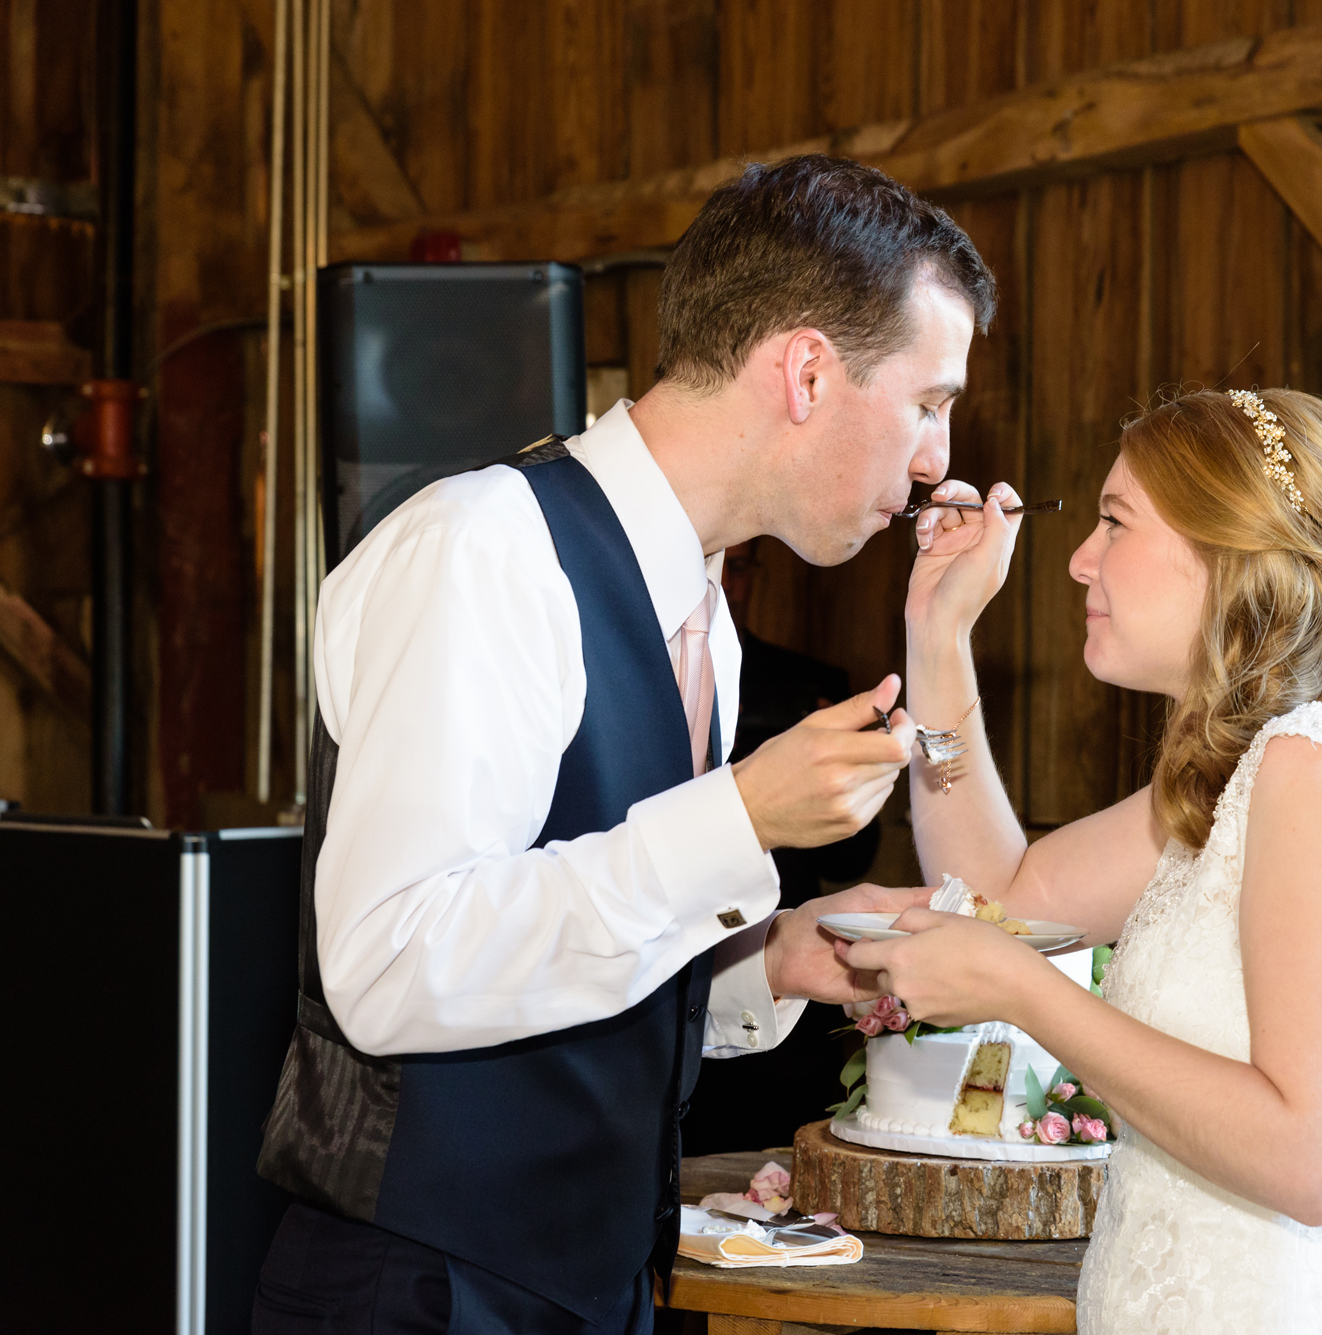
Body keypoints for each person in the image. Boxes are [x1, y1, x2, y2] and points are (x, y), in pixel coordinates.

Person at [251, 155, 996, 1335]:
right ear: (805, 370)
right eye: (928, 401)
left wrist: (774, 963)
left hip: (595, 1289)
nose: (934, 462)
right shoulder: (483, 549)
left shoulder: (701, 612)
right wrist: (738, 821)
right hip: (424, 1292)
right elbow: (389, 966)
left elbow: (582, 934)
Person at [845, 388, 1322, 1333]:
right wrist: (939, 634)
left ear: (1225, 544)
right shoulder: (1238, 775)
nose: (1080, 560)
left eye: (1113, 522)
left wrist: (1027, 991)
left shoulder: (1313, 767)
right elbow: (1002, 891)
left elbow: (1308, 1158)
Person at [680, 539, 882, 1158]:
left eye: (741, 567)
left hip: (786, 965)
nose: (731, 581)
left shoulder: (812, 689)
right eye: (721, 566)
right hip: (679, 954)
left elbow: (851, 860)